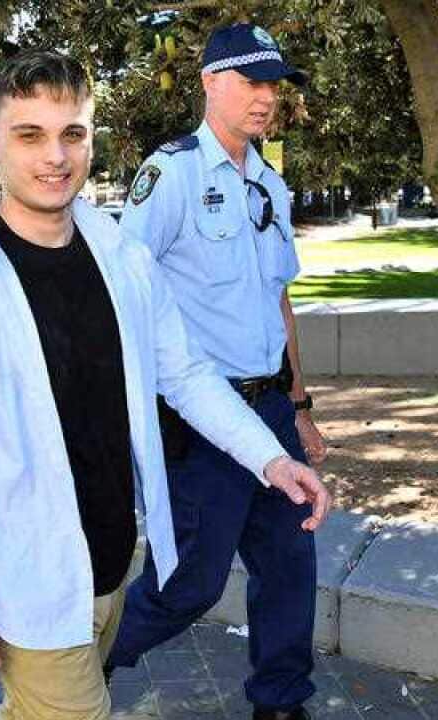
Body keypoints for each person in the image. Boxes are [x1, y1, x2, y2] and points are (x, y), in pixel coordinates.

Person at [0, 50, 329, 720]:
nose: (54, 157)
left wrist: (269, 456)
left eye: (72, 134)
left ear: (92, 139)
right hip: (32, 587)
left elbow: (185, 374)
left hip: (114, 570)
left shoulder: (123, 257)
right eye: (30, 135)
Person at [104, 24, 329, 720]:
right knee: (189, 585)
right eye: (250, 81)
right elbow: (121, 291)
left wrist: (299, 405)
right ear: (209, 82)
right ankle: (84, 666)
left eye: (273, 85)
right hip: (199, 422)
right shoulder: (169, 174)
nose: (266, 98)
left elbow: (278, 299)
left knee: (291, 566)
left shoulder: (269, 182)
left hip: (268, 413)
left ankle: (281, 703)